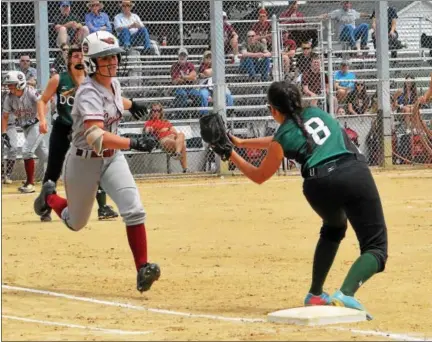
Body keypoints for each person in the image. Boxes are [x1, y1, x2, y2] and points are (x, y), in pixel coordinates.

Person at [211, 81, 388, 319]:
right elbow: (292, 139)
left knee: (334, 228)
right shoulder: (318, 113)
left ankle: (316, 293)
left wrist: (232, 152)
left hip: (317, 186)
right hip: (351, 173)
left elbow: (261, 173)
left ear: (273, 110)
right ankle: (346, 292)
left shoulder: (281, 136)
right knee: (376, 248)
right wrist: (241, 144)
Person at [33, 31, 160, 293]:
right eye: (105, 58)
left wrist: (131, 104)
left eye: (114, 56)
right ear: (92, 62)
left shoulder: (113, 83)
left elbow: (112, 102)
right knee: (76, 222)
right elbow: (95, 137)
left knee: (134, 210)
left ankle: (142, 268)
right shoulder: (86, 93)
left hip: (112, 159)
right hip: (84, 161)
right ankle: (49, 198)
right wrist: (133, 142)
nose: (113, 61)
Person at [35, 44, 120, 222]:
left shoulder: (93, 80)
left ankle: (102, 207)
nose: (79, 58)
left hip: (84, 129)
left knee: (96, 163)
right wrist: (43, 120)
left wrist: (132, 105)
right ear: (69, 59)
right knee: (54, 167)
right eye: (75, 56)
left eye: (82, 55)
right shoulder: (59, 79)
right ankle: (46, 206)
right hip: (63, 126)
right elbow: (42, 100)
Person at [1, 71, 49, 194]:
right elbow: (5, 116)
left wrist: (41, 118)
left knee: (26, 151)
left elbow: (43, 103)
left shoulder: (30, 92)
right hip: (25, 127)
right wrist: (4, 133)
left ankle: (30, 183)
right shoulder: (9, 98)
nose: (9, 87)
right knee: (43, 154)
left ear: (20, 83)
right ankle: (65, 170)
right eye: (9, 84)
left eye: (12, 84)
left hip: (37, 125)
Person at [144, 103, 188, 173]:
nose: (156, 112)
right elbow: (146, 131)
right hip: (164, 139)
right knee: (183, 145)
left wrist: (165, 130)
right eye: (154, 110)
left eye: (158, 110)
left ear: (161, 111)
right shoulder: (149, 122)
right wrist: (151, 129)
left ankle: (177, 152)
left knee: (181, 134)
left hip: (173, 137)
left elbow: (175, 132)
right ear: (151, 112)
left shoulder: (166, 121)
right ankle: (185, 169)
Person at [197, 50, 234, 115]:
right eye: (207, 58)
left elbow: (208, 73)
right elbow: (206, 72)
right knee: (203, 94)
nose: (209, 59)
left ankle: (228, 112)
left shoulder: (217, 65)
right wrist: (216, 70)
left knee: (229, 95)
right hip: (206, 88)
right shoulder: (202, 66)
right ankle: (204, 114)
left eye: (210, 57)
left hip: (217, 86)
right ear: (204, 59)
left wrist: (210, 72)